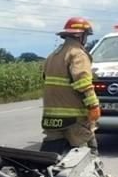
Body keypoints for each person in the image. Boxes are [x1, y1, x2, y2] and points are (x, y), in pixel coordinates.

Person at [40, 17, 101, 153]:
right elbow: (83, 82)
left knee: (50, 155)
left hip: (51, 117)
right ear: (80, 36)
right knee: (87, 153)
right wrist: (94, 105)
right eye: (86, 35)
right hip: (74, 118)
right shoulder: (77, 54)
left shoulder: (53, 55)